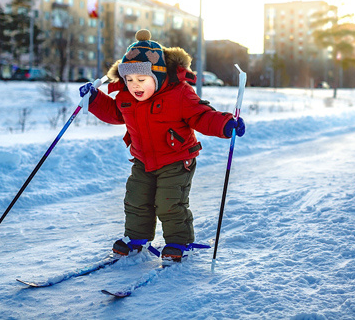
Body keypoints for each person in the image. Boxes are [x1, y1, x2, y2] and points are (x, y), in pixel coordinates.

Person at [79, 29, 245, 263]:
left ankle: (179, 242)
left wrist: (225, 124)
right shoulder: (127, 96)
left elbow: (202, 116)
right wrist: (94, 99)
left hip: (177, 160)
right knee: (136, 199)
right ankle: (137, 239)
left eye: (141, 80)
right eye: (129, 80)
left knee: (169, 203)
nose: (135, 86)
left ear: (157, 76)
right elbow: (115, 113)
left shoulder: (179, 95)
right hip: (142, 160)